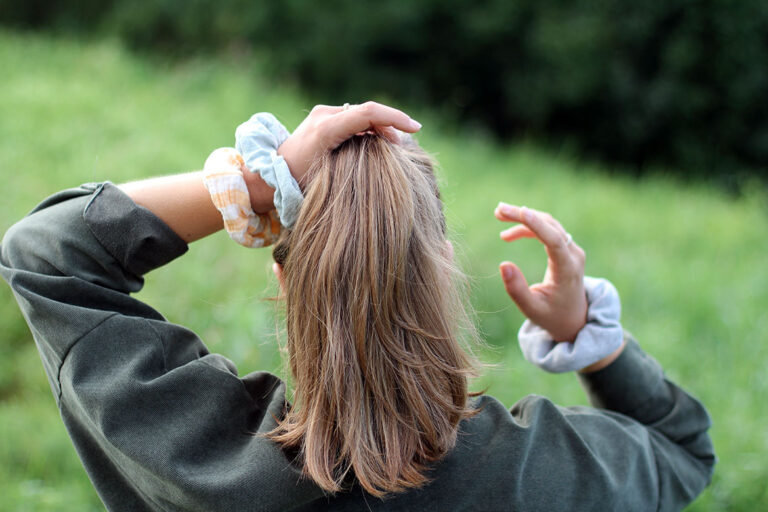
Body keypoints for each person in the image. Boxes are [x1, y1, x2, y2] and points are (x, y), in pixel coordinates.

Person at [0, 102, 714, 511]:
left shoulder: (200, 460)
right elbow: (682, 448)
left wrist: (254, 185)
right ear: (442, 272)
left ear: (287, 284)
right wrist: (593, 338)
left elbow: (45, 254)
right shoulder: (548, 472)